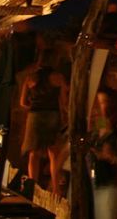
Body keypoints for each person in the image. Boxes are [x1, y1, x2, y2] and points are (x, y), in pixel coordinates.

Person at [19, 58, 68, 193]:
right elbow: (63, 101)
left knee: (34, 154)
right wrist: (64, 115)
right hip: (53, 115)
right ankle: (56, 189)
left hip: (35, 116)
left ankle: (31, 188)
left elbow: (22, 102)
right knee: (53, 154)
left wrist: (34, 106)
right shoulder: (58, 77)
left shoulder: (31, 78)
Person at [88, 88, 117, 219]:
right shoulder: (99, 125)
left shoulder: (116, 127)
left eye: (104, 102)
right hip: (94, 181)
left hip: (107, 182)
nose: (100, 106)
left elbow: (107, 154)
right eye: (98, 102)